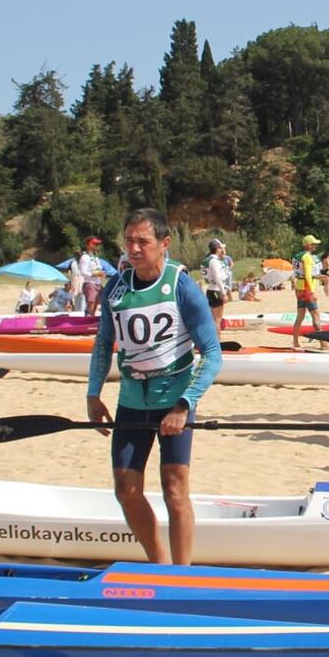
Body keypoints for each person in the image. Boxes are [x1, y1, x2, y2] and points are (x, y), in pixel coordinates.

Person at [85, 209, 223, 565]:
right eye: (128, 240)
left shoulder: (181, 284)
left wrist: (184, 405)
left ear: (164, 244)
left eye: (142, 241)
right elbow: (103, 344)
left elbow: (212, 353)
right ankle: (159, 565)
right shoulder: (115, 287)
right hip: (131, 400)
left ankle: (182, 574)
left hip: (174, 399)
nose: (133, 248)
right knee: (126, 490)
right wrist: (93, 394)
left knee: (174, 490)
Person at [290, 234, 325, 350]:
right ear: (309, 245)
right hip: (307, 289)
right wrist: (312, 290)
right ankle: (323, 343)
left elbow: (300, 274)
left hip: (299, 289)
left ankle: (295, 341)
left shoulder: (296, 256)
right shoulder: (307, 257)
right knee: (315, 316)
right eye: (314, 244)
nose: (315, 246)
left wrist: (318, 277)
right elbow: (308, 276)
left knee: (300, 316)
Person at [201, 238, 233, 332]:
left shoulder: (207, 260)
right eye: (221, 248)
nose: (222, 250)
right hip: (216, 290)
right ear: (217, 249)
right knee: (217, 320)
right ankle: (217, 343)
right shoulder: (214, 261)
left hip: (210, 290)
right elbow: (218, 278)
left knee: (212, 319)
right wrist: (223, 294)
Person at [77, 238, 107, 314]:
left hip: (97, 283)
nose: (97, 246)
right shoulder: (85, 257)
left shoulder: (95, 257)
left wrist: (101, 273)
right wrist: (95, 274)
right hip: (89, 283)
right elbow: (83, 272)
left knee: (97, 305)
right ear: (88, 245)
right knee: (91, 305)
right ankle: (87, 320)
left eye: (97, 244)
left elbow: (98, 268)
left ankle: (92, 321)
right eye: (94, 244)